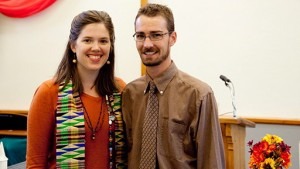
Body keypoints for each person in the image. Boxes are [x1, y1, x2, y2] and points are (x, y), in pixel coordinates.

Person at [122, 3, 225, 169]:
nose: (147, 44)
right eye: (141, 35)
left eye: (156, 35)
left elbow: (211, 162)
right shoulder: (130, 93)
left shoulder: (198, 95)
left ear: (172, 38)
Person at [26, 10, 127, 169]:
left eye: (103, 41)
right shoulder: (49, 92)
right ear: (73, 45)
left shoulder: (120, 90)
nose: (96, 47)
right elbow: (35, 163)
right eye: (87, 40)